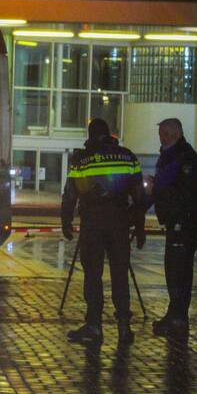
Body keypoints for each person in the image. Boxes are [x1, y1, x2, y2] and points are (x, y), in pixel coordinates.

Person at [61, 118, 146, 346]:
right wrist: (139, 227)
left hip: (93, 224)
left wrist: (66, 221)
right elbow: (139, 196)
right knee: (120, 274)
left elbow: (70, 193)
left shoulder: (83, 160)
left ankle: (94, 326)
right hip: (120, 222)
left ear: (90, 135)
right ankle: (124, 326)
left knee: (93, 274)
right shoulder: (128, 156)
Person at [150, 118, 197, 338]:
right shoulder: (172, 156)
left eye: (165, 133)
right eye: (160, 134)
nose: (161, 138)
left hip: (184, 223)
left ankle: (178, 317)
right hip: (177, 221)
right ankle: (175, 314)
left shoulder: (183, 159)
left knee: (178, 270)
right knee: (174, 269)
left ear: (176, 134)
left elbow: (183, 192)